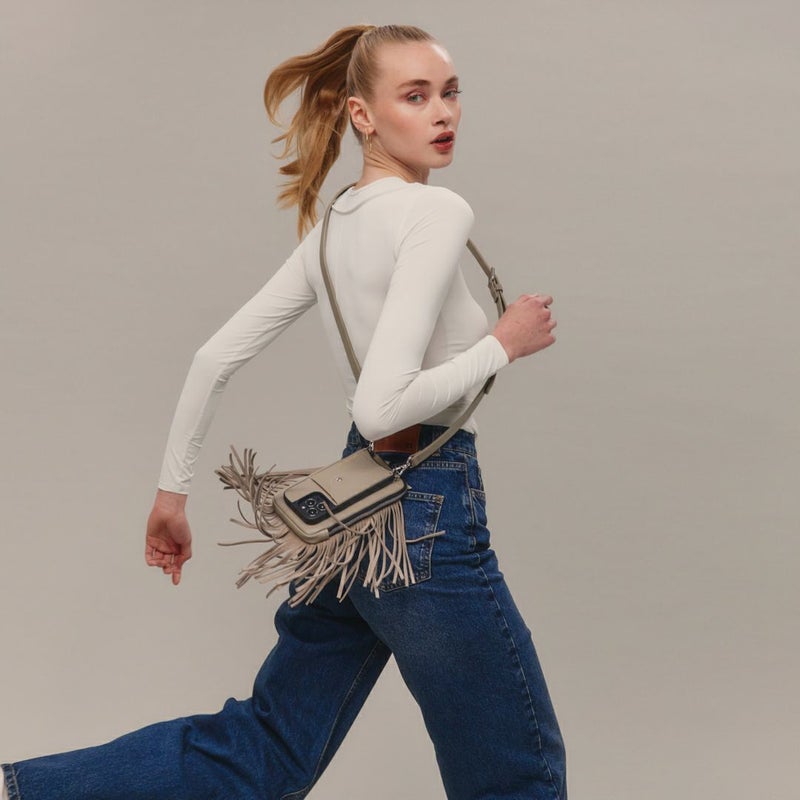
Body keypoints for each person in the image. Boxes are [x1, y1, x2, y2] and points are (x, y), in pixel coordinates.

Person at [1, 24, 565, 800]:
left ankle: (24, 790)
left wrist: (171, 497)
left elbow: (213, 359)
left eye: (450, 92)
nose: (443, 113)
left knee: (266, 746)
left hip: (353, 508)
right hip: (423, 512)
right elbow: (382, 407)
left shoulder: (336, 227)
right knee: (517, 772)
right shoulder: (436, 214)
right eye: (415, 96)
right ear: (363, 115)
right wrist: (505, 342)